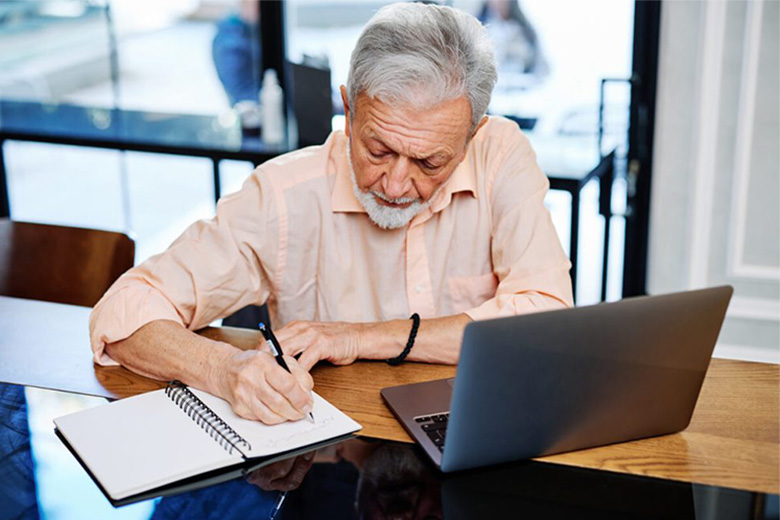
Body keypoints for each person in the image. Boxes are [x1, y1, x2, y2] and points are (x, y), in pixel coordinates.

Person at [90, 3, 572, 426]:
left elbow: (546, 324)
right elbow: (125, 310)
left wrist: (359, 337)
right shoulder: (283, 194)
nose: (397, 185)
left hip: (477, 433)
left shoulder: (500, 154)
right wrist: (223, 369)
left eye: (430, 162)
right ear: (348, 109)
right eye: (378, 149)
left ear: (472, 135)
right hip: (330, 454)